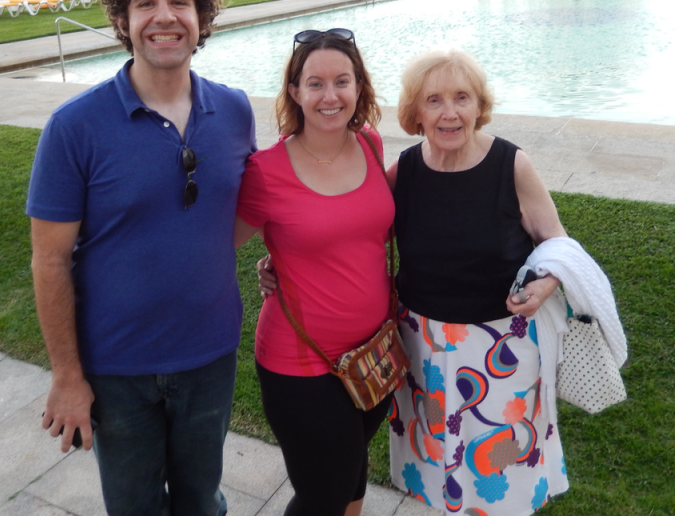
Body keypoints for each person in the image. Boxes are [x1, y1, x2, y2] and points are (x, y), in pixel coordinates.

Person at [27, 0, 256, 516]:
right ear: (123, 20)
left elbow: (242, 209)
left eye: (179, 1)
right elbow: (49, 260)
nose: (164, 16)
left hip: (210, 355)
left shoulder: (234, 111)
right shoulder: (74, 127)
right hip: (117, 366)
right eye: (145, 3)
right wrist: (67, 376)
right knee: (134, 508)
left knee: (203, 502)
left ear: (201, 17)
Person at [386, 50, 570, 514]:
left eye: (462, 97)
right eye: (434, 100)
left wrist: (545, 287)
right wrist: (283, 259)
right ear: (416, 113)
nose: (450, 112)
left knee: (499, 468)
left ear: (478, 105)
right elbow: (355, 232)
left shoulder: (511, 165)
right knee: (438, 459)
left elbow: (556, 242)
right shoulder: (403, 171)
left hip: (501, 350)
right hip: (423, 346)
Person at [234, 28, 395, 516]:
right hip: (300, 362)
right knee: (323, 495)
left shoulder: (370, 144)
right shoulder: (266, 170)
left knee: (352, 477)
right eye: (316, 83)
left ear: (359, 86)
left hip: (374, 354)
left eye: (342, 81)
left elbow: (360, 235)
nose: (331, 96)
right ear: (295, 92)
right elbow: (215, 247)